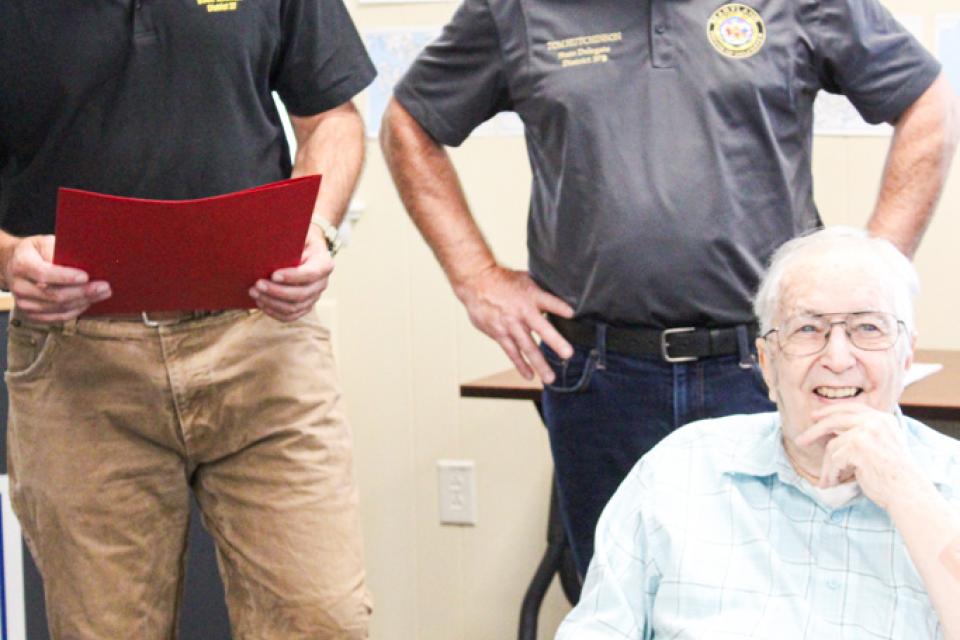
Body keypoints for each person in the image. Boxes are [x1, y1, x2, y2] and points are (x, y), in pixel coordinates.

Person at [379, 0, 960, 574]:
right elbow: (409, 122)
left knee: (788, 596)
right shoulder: (516, 9)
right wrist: (476, 276)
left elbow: (926, 103)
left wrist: (874, 272)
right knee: (618, 598)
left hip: (764, 372)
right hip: (602, 380)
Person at [0, 2, 376, 638]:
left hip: (263, 343)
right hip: (79, 365)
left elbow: (331, 120)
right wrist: (9, 258)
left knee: (323, 620)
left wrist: (316, 229)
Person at [556, 227, 960, 639]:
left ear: (906, 355)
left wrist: (909, 494)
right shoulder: (678, 473)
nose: (838, 358)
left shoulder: (952, 480)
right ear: (766, 363)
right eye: (807, 329)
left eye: (868, 328)